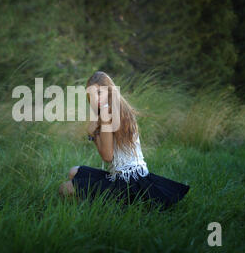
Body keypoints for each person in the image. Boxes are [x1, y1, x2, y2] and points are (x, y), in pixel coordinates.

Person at [59, 71, 190, 210]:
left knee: (64, 189)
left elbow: (107, 157)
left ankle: (98, 207)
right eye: (91, 94)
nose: (95, 98)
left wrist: (92, 135)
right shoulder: (120, 108)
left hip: (127, 183)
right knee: (74, 171)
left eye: (99, 92)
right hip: (132, 176)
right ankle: (98, 201)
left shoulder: (107, 115)